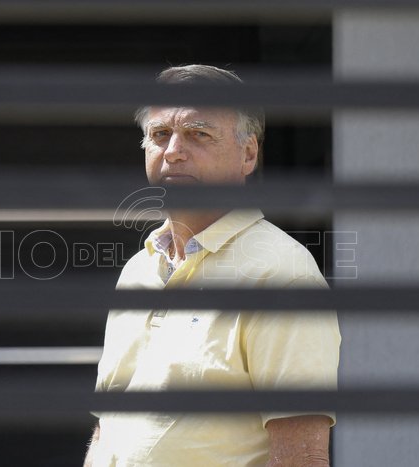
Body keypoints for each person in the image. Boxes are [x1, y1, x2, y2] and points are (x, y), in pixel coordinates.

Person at [84, 65, 341, 467]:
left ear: (248, 154)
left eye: (198, 134)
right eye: (160, 134)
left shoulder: (281, 275)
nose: (173, 151)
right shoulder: (137, 270)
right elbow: (107, 429)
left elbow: (301, 458)